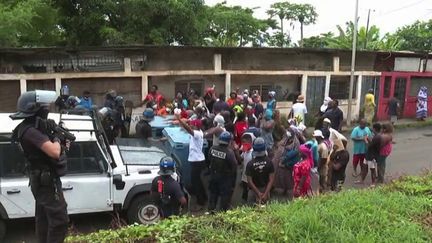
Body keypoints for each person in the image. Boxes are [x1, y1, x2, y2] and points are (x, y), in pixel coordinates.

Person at [10, 90, 69, 243]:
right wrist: (57, 138)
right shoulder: (30, 131)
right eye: (44, 105)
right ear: (35, 109)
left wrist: (54, 134)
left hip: (42, 180)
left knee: (44, 220)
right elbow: (55, 152)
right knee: (59, 221)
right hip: (45, 182)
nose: (47, 107)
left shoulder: (32, 127)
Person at [177, 115, 207, 210]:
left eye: (193, 125)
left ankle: (200, 203)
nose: (192, 126)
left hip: (196, 161)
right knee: (198, 180)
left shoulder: (197, 133)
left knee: (195, 182)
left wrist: (180, 121)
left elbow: (188, 129)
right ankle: (204, 197)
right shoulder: (198, 132)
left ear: (196, 126)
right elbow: (187, 130)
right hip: (197, 160)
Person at [207, 132, 239, 213]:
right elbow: (234, 166)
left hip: (213, 176)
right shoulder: (229, 153)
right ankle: (222, 213)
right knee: (224, 197)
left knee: (213, 195)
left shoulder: (212, 149)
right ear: (228, 142)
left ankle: (211, 211)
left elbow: (209, 159)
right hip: (225, 179)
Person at [246, 137, 275, 205]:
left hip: (253, 191)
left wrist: (258, 193)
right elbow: (271, 180)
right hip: (265, 189)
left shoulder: (250, 164)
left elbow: (249, 181)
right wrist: (265, 194)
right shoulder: (269, 162)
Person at [276, 130, 300, 198]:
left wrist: (284, 158)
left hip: (290, 162)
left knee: (289, 177)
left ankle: (291, 191)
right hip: (283, 161)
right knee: (283, 176)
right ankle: (284, 189)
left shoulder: (296, 142)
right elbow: (281, 144)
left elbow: (295, 152)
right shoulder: (286, 139)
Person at [240, 133, 254, 202]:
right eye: (242, 143)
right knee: (244, 191)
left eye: (245, 143)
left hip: (251, 178)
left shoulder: (253, 153)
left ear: (251, 142)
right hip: (244, 177)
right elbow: (240, 159)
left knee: (251, 192)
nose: (243, 145)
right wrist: (236, 151)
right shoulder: (245, 151)